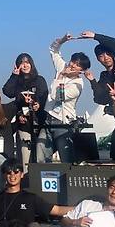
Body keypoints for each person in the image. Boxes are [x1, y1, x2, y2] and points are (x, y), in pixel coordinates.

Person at [79, 30, 115, 163]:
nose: (105, 58)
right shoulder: (104, 77)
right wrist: (92, 81)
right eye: (100, 56)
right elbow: (100, 99)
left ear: (113, 54)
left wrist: (95, 36)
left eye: (107, 54)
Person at [36, 34, 91, 163]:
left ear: (82, 70)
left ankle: (68, 181)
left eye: (77, 65)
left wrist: (60, 77)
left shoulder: (78, 84)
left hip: (63, 123)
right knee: (41, 154)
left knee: (66, 159)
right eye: (73, 61)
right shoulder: (63, 67)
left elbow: (58, 96)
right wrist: (62, 41)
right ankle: (42, 180)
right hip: (49, 119)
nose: (72, 65)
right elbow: (53, 50)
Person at [2, 53, 49, 171]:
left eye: (27, 62)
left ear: (31, 64)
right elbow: (7, 91)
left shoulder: (39, 79)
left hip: (40, 123)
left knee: (41, 156)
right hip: (23, 124)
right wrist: (14, 76)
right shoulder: (17, 81)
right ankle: (26, 182)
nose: (25, 65)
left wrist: (36, 103)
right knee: (24, 158)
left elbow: (44, 96)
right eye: (22, 63)